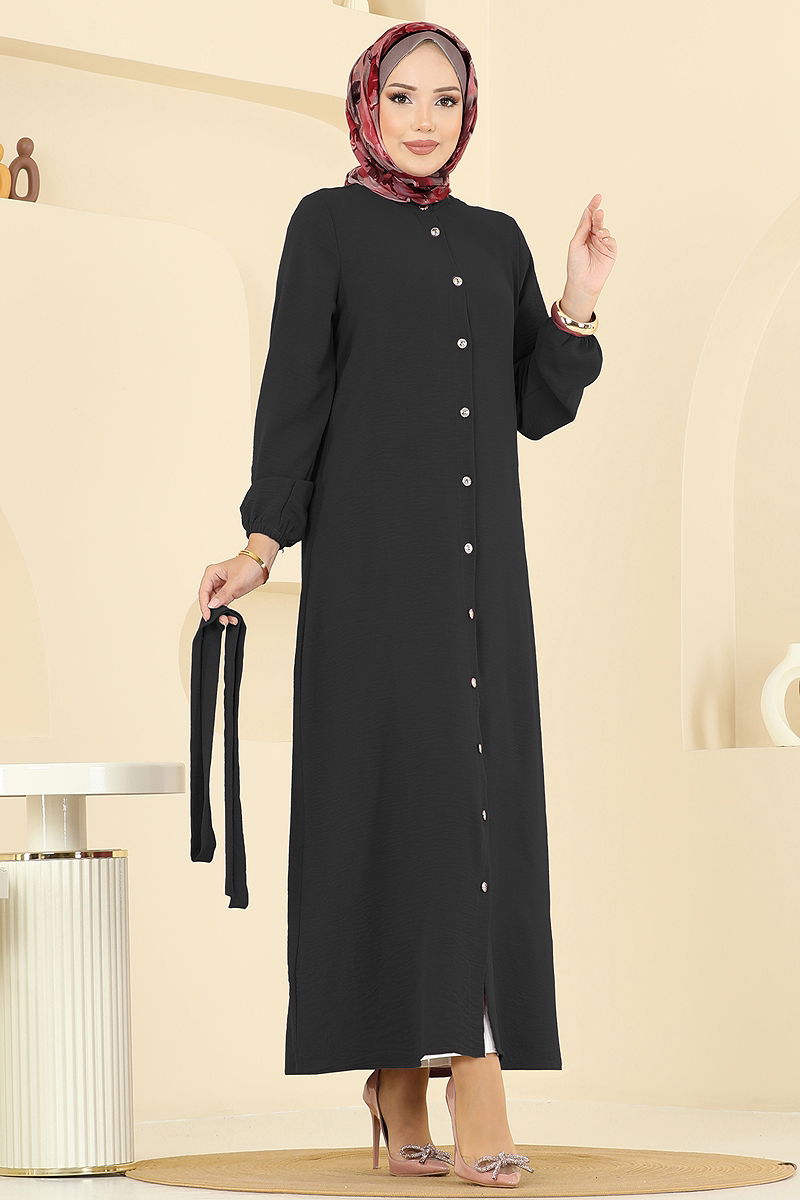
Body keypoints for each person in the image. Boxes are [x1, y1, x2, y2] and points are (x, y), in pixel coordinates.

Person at [197, 19, 616, 1187]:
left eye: (445, 99)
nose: (424, 119)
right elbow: (296, 390)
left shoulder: (495, 239)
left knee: (477, 809)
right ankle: (440, 1072)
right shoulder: (325, 225)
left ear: (467, 112)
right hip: (373, 574)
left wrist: (575, 301)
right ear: (365, 106)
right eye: (402, 96)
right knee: (395, 807)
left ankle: (414, 1072)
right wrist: (262, 539)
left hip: (483, 578)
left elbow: (535, 405)